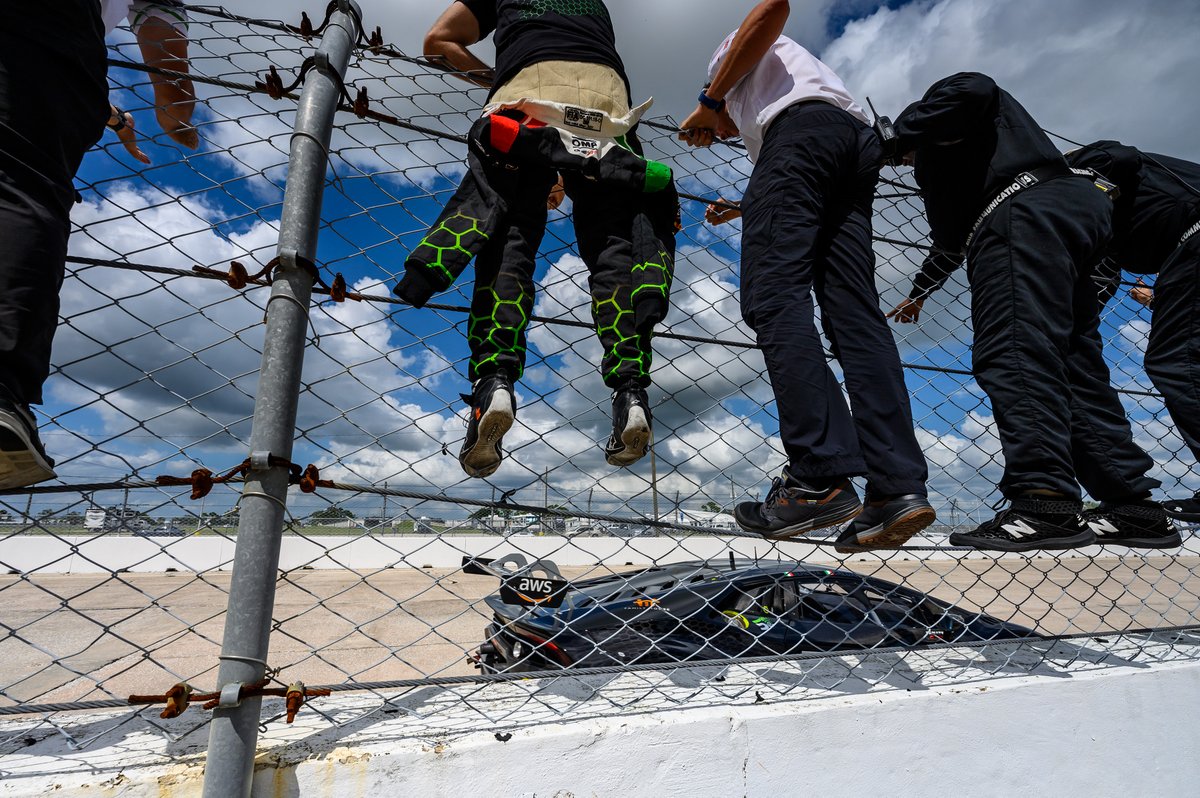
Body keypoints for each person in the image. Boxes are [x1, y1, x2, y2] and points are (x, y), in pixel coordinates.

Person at [678, 0, 935, 552]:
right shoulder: (802, 89)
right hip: (851, 145)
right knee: (854, 314)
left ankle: (818, 475)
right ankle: (896, 487)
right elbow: (807, 176)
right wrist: (751, 201)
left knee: (772, 298)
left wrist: (708, 102)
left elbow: (771, 9)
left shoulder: (730, 68)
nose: (721, 135)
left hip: (800, 138)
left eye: (720, 131)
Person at [885, 73, 1178, 551]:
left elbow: (974, 87)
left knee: (1014, 351)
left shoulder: (954, 121)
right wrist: (920, 292)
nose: (907, 161)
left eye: (907, 152)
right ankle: (1134, 506)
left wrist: (897, 132)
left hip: (1022, 215)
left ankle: (1045, 501)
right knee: (1074, 365)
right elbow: (949, 243)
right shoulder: (956, 169)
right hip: (1061, 219)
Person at [402, 0, 679, 479]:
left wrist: (499, 76)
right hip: (607, 109)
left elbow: (439, 44)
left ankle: (495, 383)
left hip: (527, 96)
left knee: (508, 242)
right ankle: (630, 391)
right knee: (614, 252)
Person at [0, 0, 196, 491]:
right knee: (20, 181)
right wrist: (175, 115)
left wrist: (107, 113)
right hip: (46, 32)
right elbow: (166, 54)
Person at [1065, 141, 1200, 525]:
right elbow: (1101, 279)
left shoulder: (1074, 174)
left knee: (1175, 360)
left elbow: (1120, 154)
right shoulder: (1102, 228)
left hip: (1194, 236)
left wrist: (1080, 186)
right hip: (1186, 249)